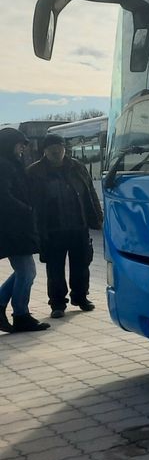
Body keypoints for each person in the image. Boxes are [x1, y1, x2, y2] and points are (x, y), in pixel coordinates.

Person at [27, 134, 103, 319]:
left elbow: (90, 192)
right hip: (52, 228)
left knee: (81, 264)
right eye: (51, 148)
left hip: (78, 225)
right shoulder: (34, 172)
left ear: (64, 148)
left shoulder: (77, 167)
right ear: (44, 151)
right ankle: (57, 303)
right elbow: (30, 202)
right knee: (55, 269)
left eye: (59, 147)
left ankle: (81, 297)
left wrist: (97, 217)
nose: (56, 151)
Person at [0, 128, 50, 332]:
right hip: (12, 227)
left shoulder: (11, 164)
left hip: (17, 227)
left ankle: (7, 307)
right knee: (27, 271)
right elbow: (4, 197)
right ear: (9, 144)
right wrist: (27, 209)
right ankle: (21, 314)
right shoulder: (4, 165)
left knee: (24, 271)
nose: (22, 148)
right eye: (20, 144)